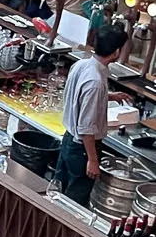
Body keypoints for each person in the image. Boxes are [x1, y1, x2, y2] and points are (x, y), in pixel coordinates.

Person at [52, 22, 129, 207]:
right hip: (81, 149)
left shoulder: (82, 65)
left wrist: (109, 96)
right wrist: (93, 160)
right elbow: (86, 128)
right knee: (74, 202)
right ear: (116, 52)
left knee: (57, 191)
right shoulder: (96, 82)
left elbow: (79, 96)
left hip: (69, 140)